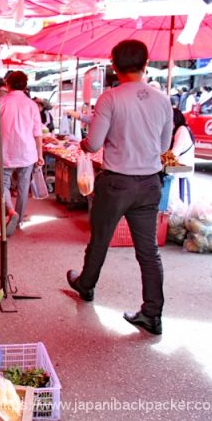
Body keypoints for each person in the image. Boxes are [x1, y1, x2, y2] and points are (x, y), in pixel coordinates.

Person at [66, 39, 172, 335]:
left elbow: (94, 143)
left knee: (100, 238)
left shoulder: (110, 99)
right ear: (146, 63)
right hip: (150, 184)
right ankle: (152, 314)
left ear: (114, 65)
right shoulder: (162, 99)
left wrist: (85, 143)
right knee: (148, 251)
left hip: (116, 183)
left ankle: (86, 285)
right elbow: (164, 147)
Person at [0, 71, 44, 237]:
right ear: (25, 86)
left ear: (7, 84)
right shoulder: (32, 105)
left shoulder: (0, 103)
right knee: (23, 187)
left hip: (5, 152)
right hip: (27, 153)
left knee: (3, 184)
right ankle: (18, 220)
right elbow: (37, 133)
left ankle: (11, 212)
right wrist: (40, 154)